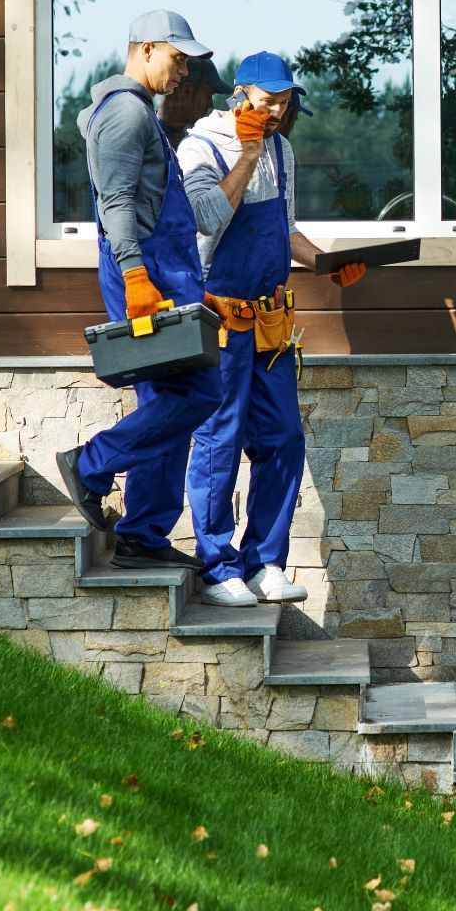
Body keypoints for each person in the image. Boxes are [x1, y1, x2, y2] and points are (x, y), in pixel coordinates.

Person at [176, 52, 364, 606]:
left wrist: (326, 263)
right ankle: (217, 566)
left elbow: (285, 231)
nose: (278, 109)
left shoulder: (283, 148)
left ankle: (265, 562)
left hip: (271, 322)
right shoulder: (200, 147)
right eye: (268, 99)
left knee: (283, 437)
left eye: (285, 100)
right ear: (240, 94)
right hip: (220, 319)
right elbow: (207, 218)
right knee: (219, 440)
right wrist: (248, 152)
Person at [57, 9, 224, 569]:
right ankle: (90, 464)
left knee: (170, 401)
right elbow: (116, 206)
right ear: (146, 48)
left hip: (169, 271)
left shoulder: (142, 114)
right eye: (178, 59)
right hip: (145, 270)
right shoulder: (126, 114)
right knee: (198, 394)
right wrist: (134, 276)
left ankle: (144, 534)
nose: (183, 73)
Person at [159, 55, 226, 150]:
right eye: (207, 95)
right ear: (187, 91)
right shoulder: (148, 138)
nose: (210, 104)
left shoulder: (192, 141)